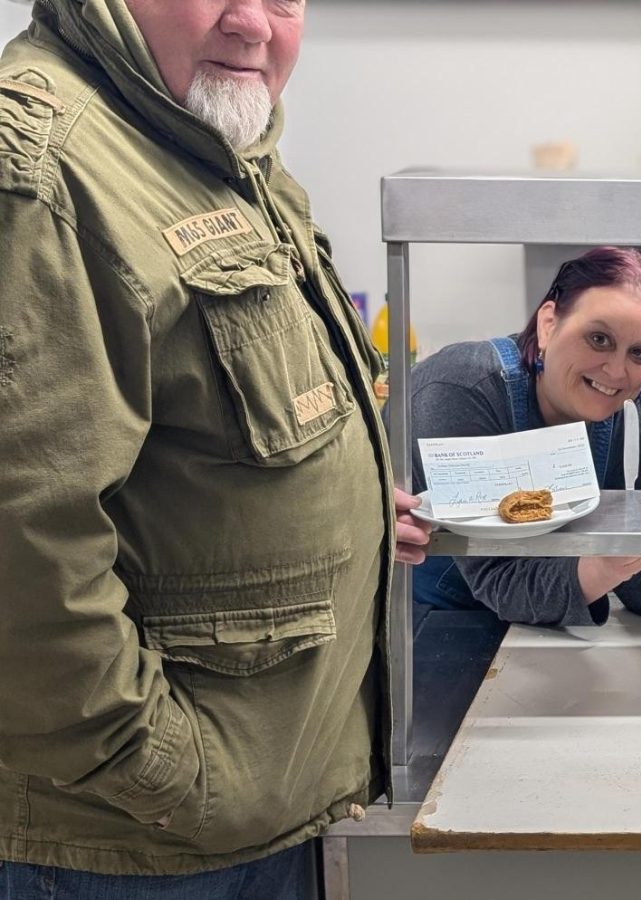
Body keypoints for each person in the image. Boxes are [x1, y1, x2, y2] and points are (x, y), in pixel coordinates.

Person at [0, 0, 430, 893]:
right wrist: (161, 772)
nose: (254, 24)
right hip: (134, 841)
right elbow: (24, 543)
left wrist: (346, 505)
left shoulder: (205, 143)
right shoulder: (46, 171)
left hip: (254, 806)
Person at [409, 247, 641, 627]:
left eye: (638, 352)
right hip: (434, 621)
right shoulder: (463, 390)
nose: (616, 371)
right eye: (599, 339)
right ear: (548, 324)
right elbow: (499, 578)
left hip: (542, 626)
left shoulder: (635, 422)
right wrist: (600, 571)